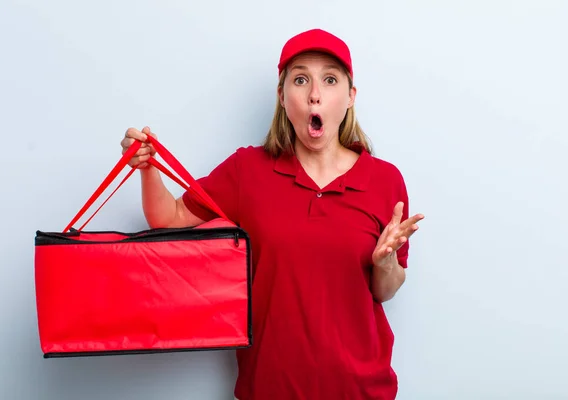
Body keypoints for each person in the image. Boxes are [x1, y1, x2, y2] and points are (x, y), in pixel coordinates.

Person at [120, 28, 424, 400]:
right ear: (282, 97)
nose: (315, 93)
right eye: (301, 80)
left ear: (349, 97)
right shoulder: (247, 170)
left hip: (361, 390)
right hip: (268, 389)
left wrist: (385, 262)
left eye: (330, 80)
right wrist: (147, 167)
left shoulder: (385, 180)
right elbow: (169, 218)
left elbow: (386, 290)